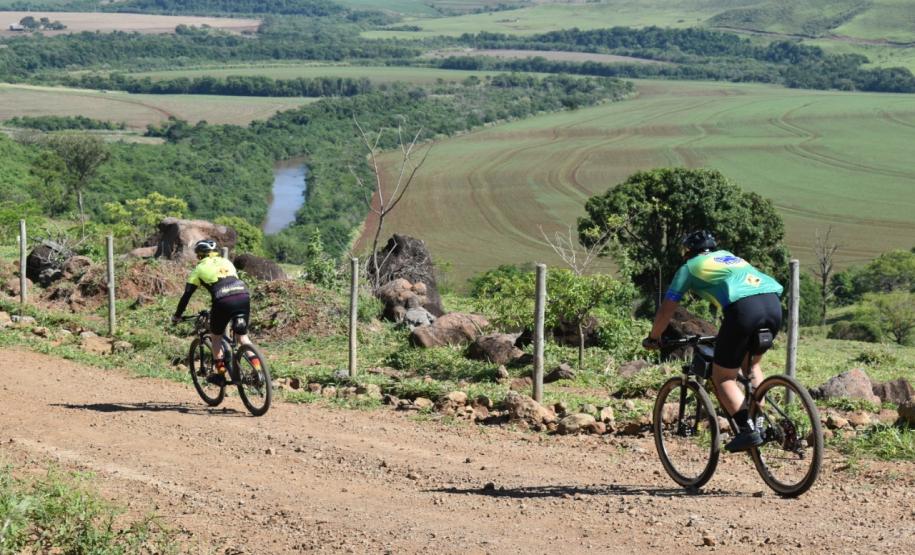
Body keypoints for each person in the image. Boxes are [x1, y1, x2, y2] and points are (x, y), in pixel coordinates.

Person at [642, 230, 784, 452]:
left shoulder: (689, 267)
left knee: (723, 377)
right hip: (773, 304)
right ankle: (759, 422)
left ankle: (747, 430)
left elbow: (667, 309)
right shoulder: (730, 257)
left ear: (687, 252)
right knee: (751, 365)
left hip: (744, 310)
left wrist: (653, 338)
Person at [171, 239, 253, 385]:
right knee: (242, 337)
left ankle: (220, 375)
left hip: (223, 300)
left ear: (200, 255)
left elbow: (187, 295)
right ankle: (259, 371)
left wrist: (177, 315)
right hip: (243, 295)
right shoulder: (227, 262)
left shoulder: (198, 269)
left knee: (216, 338)